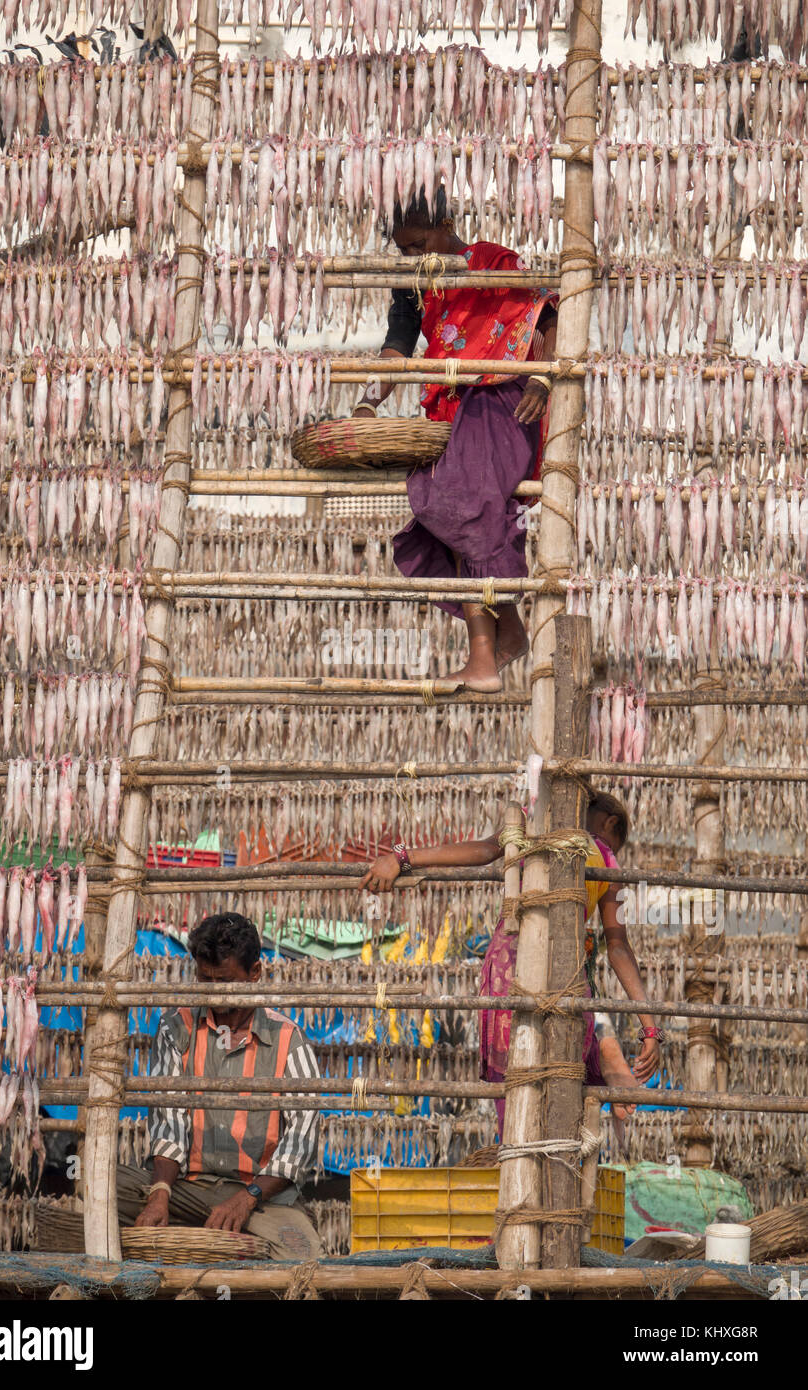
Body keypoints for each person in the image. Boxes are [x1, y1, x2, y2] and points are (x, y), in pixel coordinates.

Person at [360, 791, 662, 1140]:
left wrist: (404, 856)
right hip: (567, 973)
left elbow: (482, 851)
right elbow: (619, 947)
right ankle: (605, 1055)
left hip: (513, 964)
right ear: (610, 823)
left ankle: (523, 1156)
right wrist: (649, 1027)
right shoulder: (607, 860)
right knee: (566, 1079)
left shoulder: (530, 824)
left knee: (518, 1085)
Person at [353, 186, 558, 692]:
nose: (412, 257)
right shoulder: (411, 285)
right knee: (444, 505)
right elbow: (397, 349)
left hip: (505, 399)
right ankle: (503, 633)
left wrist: (544, 377)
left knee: (460, 503)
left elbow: (549, 318)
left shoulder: (491, 263)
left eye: (420, 244)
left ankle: (486, 656)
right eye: (403, 250)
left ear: (447, 227)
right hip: (454, 409)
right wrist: (366, 402)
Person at [117, 912, 323, 1261]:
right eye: (205, 979)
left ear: (254, 973)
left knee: (304, 1257)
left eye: (224, 981)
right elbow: (169, 1122)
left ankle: (240, 1222)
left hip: (261, 1198)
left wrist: (247, 1198)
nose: (213, 992)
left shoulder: (287, 1039)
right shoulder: (176, 1029)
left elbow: (301, 1141)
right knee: (102, 1185)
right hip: (188, 1189)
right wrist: (161, 1192)